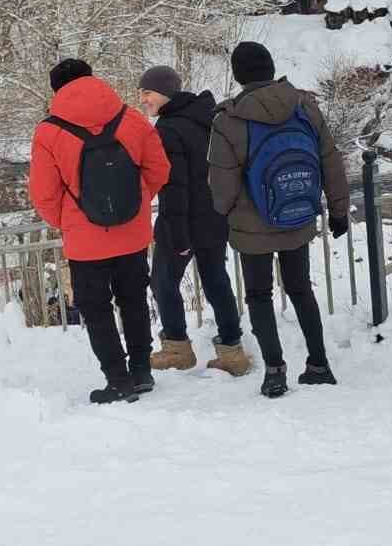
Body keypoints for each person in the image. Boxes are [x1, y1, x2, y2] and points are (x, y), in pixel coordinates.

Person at [208, 42, 351, 399]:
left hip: (250, 225)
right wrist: (338, 211)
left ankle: (275, 371)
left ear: (239, 76)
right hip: (297, 215)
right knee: (301, 289)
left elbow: (222, 187)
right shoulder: (304, 107)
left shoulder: (228, 120)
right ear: (271, 68)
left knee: (259, 295)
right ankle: (319, 364)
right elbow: (330, 161)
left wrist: (224, 215)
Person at [29, 59, 170, 404]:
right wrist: (135, 205)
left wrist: (69, 222)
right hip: (132, 234)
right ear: (93, 79)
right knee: (134, 299)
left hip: (84, 241)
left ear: (57, 90)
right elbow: (159, 170)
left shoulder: (48, 132)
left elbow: (44, 195)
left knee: (96, 309)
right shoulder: (131, 119)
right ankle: (141, 371)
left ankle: (117, 379)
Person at [137, 66, 249, 377]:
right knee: (216, 281)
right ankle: (232, 352)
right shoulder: (207, 119)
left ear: (165, 93)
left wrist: (179, 236)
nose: (142, 99)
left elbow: (175, 188)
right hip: (215, 217)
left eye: (147, 92)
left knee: (162, 281)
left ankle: (176, 349)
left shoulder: (169, 129)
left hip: (184, 222)